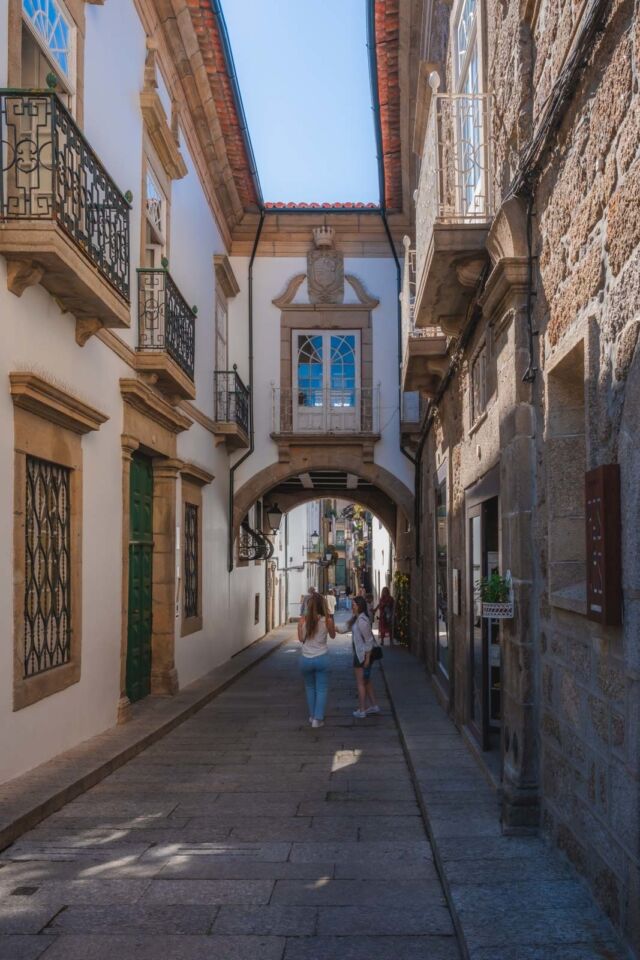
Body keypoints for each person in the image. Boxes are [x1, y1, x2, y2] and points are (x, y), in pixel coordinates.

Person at [338, 595, 380, 719]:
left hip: (361, 655)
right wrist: (332, 628)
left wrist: (367, 658)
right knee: (366, 681)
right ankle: (374, 705)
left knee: (360, 683)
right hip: (361, 654)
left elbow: (369, 640)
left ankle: (362, 709)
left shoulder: (362, 621)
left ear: (359, 606)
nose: (352, 607)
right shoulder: (356, 619)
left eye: (354, 605)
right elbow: (344, 629)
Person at [297, 593, 335, 728]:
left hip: (305, 659)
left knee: (309, 688)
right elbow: (333, 635)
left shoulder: (303, 620)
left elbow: (301, 639)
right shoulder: (327, 620)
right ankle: (317, 719)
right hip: (322, 658)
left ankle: (312, 716)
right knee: (321, 689)